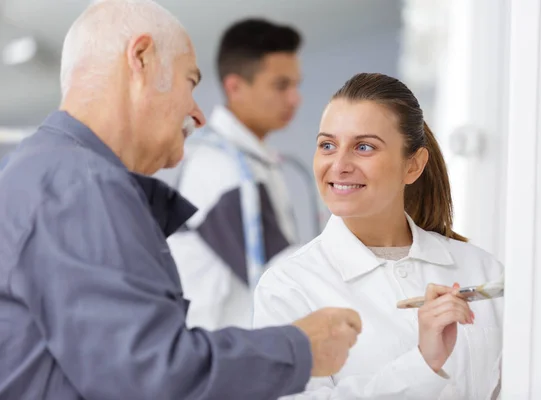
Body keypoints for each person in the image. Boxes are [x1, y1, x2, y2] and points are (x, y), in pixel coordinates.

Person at [0, 1, 362, 399]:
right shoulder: (81, 188)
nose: (198, 114)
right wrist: (301, 348)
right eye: (190, 82)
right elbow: (150, 377)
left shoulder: (51, 174)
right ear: (141, 58)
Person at [253, 73, 504, 399]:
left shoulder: (482, 272)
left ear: (413, 166)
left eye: (364, 147)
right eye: (327, 145)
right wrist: (422, 365)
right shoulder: (288, 287)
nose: (339, 165)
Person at [167, 18, 303, 330]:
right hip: (217, 363)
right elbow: (282, 278)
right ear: (235, 87)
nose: (295, 98)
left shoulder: (253, 161)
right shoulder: (219, 167)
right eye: (282, 85)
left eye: (296, 85)